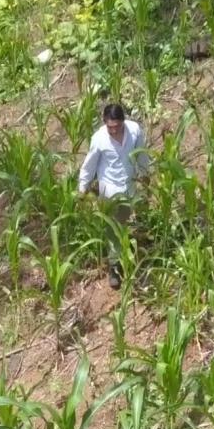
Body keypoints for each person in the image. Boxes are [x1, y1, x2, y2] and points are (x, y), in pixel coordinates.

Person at [78, 103, 150, 289]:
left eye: (117, 126)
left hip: (128, 186)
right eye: (110, 127)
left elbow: (142, 155)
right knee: (113, 228)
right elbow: (90, 164)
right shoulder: (99, 139)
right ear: (104, 123)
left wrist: (145, 174)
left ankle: (123, 256)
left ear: (123, 122)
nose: (114, 130)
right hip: (108, 189)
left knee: (122, 225)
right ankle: (114, 267)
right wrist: (82, 187)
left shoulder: (134, 131)